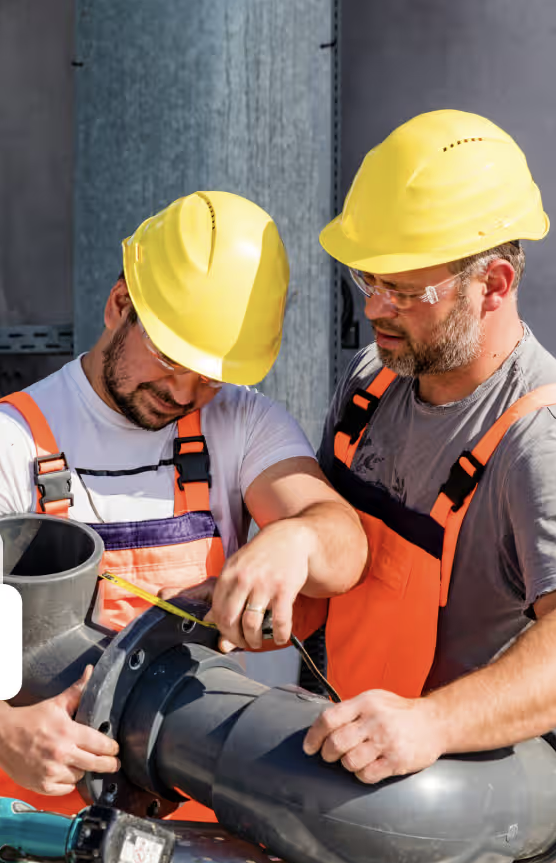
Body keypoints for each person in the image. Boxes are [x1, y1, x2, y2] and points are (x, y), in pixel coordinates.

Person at [0, 191, 367, 814]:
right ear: (120, 305)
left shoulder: (242, 423)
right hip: (44, 820)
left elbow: (343, 546)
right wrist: (5, 733)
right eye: (171, 358)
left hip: (206, 813)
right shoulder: (15, 442)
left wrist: (296, 537)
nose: (184, 391)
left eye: (210, 375)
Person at [294, 109, 556, 784]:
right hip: (348, 761)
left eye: (405, 291)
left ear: (492, 285)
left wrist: (431, 725)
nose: (376, 308)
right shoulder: (370, 382)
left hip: (469, 803)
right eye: (368, 280)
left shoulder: (535, 441)